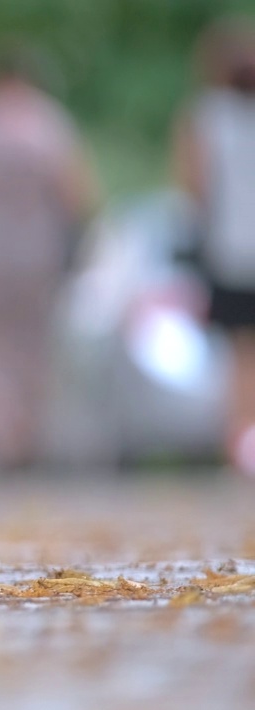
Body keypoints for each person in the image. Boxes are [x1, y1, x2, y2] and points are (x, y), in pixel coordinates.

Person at [0, 44, 99, 473]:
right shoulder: (49, 122)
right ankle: (31, 437)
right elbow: (76, 192)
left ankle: (0, 440)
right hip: (40, 247)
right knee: (36, 346)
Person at [172, 18, 255, 475]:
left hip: (229, 249)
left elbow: (194, 186)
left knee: (238, 352)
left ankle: (240, 442)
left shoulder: (205, 116)